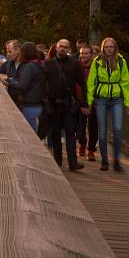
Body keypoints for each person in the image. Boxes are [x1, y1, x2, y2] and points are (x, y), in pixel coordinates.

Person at [87, 37, 129, 172]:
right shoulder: (97, 62)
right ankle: (105, 161)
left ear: (115, 48)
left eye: (111, 46)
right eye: (106, 47)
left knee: (118, 129)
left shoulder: (121, 62)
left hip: (117, 99)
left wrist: (128, 103)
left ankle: (116, 160)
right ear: (103, 48)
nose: (109, 49)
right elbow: (91, 83)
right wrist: (89, 102)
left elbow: (125, 82)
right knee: (102, 131)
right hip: (101, 99)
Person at [44, 39, 89, 171]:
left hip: (68, 104)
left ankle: (72, 162)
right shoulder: (49, 63)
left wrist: (84, 103)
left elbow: (82, 84)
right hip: (53, 104)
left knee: (70, 134)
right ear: (56, 47)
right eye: (61, 46)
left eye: (66, 47)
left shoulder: (74, 64)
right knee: (55, 134)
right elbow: (42, 82)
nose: (63, 49)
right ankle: (57, 160)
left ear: (69, 49)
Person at [1, 42, 46, 131]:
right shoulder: (40, 64)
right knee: (35, 135)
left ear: (25, 53)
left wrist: (9, 80)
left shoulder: (29, 66)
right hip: (39, 105)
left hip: (30, 106)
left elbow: (22, 85)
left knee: (30, 136)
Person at [77, 45, 99, 161]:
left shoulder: (96, 67)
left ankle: (91, 150)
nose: (83, 55)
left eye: (86, 53)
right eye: (82, 53)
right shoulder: (76, 66)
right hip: (79, 100)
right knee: (79, 126)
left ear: (91, 55)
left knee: (93, 126)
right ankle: (82, 143)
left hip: (94, 100)